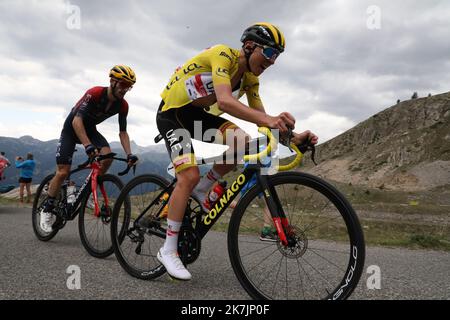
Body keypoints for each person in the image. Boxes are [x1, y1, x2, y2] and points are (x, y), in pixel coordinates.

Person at [156, 22, 319, 280]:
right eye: (269, 53)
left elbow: (263, 120)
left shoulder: (251, 79)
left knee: (242, 142)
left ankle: (202, 189)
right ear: (249, 46)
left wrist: (294, 138)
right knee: (188, 176)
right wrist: (269, 121)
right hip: (172, 114)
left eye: (276, 56)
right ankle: (168, 249)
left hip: (197, 116)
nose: (272, 61)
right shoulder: (224, 55)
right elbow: (224, 101)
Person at [39, 65, 139, 233]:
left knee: (107, 157)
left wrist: (129, 154)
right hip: (72, 129)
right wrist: (88, 145)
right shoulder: (95, 93)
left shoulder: (123, 106)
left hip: (90, 130)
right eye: (123, 84)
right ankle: (47, 209)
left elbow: (122, 132)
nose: (125, 89)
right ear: (113, 81)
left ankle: (88, 190)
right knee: (63, 172)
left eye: (129, 86)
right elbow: (77, 121)